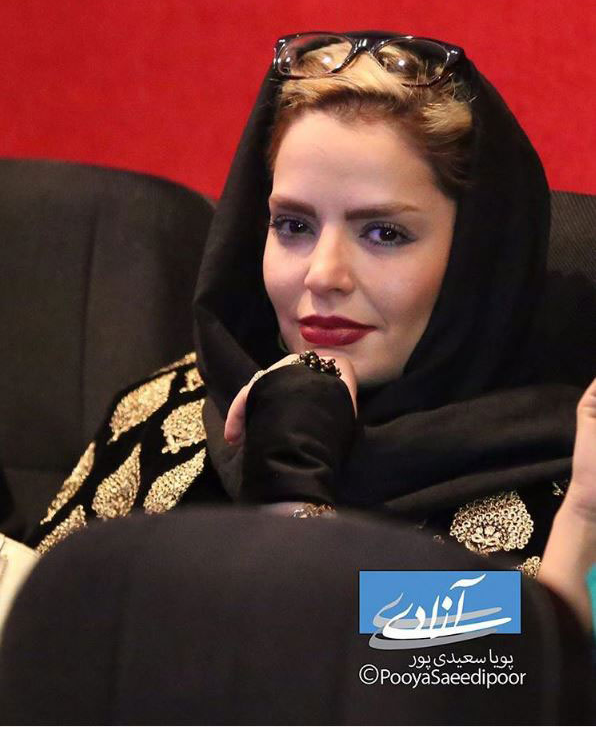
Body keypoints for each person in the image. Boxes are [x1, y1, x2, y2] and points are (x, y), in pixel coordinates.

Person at [7, 32, 596, 634]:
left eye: (384, 234)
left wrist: (292, 484)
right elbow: (34, 628)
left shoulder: (567, 482)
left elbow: (464, 671)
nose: (322, 275)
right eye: (293, 225)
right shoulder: (168, 407)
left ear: (477, 257)